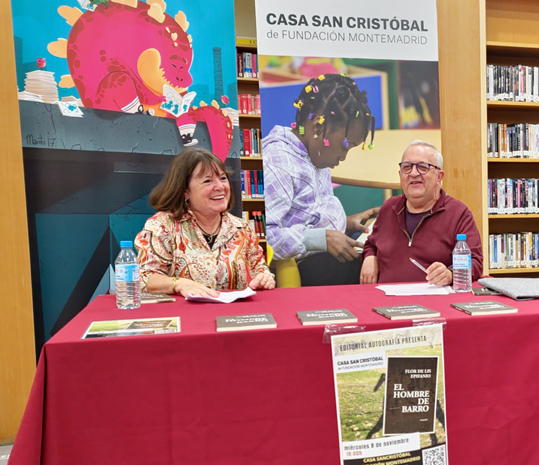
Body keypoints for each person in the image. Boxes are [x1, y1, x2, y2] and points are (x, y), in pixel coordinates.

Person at [262, 73, 379, 286]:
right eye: (344, 146)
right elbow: (262, 237)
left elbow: (307, 216)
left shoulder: (315, 152)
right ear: (317, 128)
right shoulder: (278, 163)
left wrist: (345, 223)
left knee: (381, 245)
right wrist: (322, 238)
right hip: (303, 266)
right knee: (376, 265)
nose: (343, 156)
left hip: (321, 254)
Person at [136, 147, 275, 299]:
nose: (220, 187)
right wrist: (179, 284)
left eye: (223, 178)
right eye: (207, 181)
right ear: (185, 191)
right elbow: (144, 278)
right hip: (184, 317)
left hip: (231, 317)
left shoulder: (242, 228)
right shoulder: (162, 226)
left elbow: (259, 270)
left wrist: (264, 278)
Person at [360, 140, 482, 286]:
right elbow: (371, 244)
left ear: (439, 176)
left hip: (434, 303)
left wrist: (450, 274)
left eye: (423, 167)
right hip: (385, 301)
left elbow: (475, 262)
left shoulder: (459, 213)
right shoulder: (389, 208)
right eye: (407, 167)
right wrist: (369, 257)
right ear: (400, 175)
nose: (413, 173)